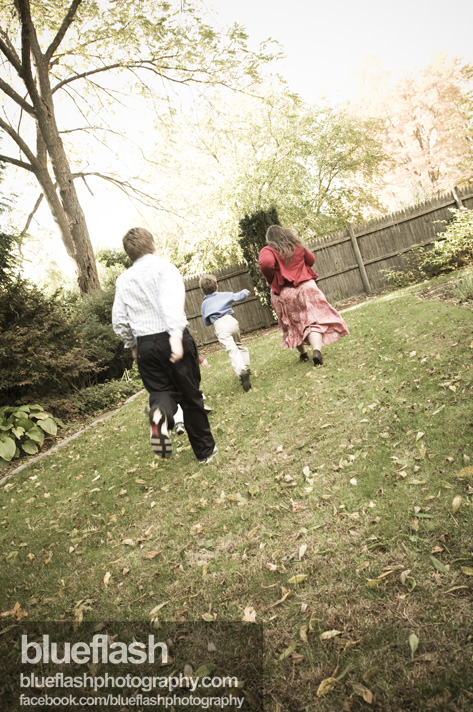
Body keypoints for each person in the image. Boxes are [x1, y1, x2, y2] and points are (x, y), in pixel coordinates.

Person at [112, 228, 217, 464]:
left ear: (129, 254)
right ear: (153, 245)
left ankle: (159, 415)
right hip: (172, 337)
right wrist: (175, 336)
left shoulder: (123, 280)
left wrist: (133, 345)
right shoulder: (165, 268)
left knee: (161, 392)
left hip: (146, 345)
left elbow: (119, 320)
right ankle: (205, 452)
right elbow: (171, 304)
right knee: (190, 396)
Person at [258, 225, 349, 365]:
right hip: (307, 287)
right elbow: (311, 260)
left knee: (291, 324)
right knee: (313, 320)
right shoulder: (295, 245)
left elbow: (266, 264)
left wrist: (273, 279)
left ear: (269, 239)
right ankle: (316, 350)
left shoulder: (268, 250)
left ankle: (303, 354)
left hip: (285, 292)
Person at [199, 274, 252, 391]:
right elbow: (237, 296)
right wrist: (245, 292)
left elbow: (206, 322)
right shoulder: (224, 295)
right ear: (216, 286)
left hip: (220, 326)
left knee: (232, 349)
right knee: (239, 344)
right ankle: (244, 366)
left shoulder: (204, 304)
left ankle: (241, 371)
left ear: (202, 290)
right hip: (232, 321)